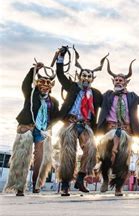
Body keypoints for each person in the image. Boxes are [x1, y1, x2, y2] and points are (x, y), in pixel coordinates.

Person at [56, 46, 108, 196]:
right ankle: (65, 184)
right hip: (70, 124)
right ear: (80, 76)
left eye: (89, 76)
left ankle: (80, 178)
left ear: (93, 79)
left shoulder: (96, 94)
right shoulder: (72, 87)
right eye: (84, 75)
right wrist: (61, 57)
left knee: (91, 149)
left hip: (86, 125)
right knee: (68, 153)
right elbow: (60, 75)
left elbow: (107, 104)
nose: (86, 78)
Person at [4, 61, 60, 196]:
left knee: (40, 159)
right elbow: (25, 85)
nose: (44, 86)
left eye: (47, 84)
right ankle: (19, 186)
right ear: (37, 84)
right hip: (27, 127)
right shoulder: (31, 94)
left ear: (51, 87)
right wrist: (33, 70)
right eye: (41, 83)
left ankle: (37, 185)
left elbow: (57, 116)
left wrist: (48, 127)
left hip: (42, 131)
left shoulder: (53, 101)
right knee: (22, 156)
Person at [96, 58, 139, 196]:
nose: (118, 81)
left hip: (126, 131)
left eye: (121, 79)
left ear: (126, 82)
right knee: (105, 157)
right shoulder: (107, 95)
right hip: (110, 130)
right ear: (113, 82)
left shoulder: (132, 96)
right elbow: (92, 99)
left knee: (123, 160)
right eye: (116, 79)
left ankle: (118, 187)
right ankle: (105, 179)